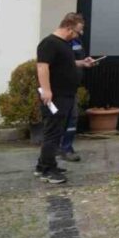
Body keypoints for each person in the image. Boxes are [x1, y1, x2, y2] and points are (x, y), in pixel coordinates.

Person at [34, 13, 96, 184]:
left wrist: (83, 63)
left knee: (57, 131)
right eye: (78, 32)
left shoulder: (64, 45)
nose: (78, 36)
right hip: (56, 96)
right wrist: (46, 90)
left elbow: (65, 63)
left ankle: (43, 165)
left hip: (66, 94)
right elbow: (42, 67)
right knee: (52, 133)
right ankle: (48, 170)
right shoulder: (49, 43)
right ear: (69, 28)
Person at [57, 35, 87, 162]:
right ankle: (61, 148)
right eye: (79, 28)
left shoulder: (77, 41)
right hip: (62, 87)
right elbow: (61, 63)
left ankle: (66, 147)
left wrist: (85, 62)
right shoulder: (59, 43)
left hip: (73, 86)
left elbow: (78, 58)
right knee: (62, 119)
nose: (82, 31)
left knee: (72, 118)